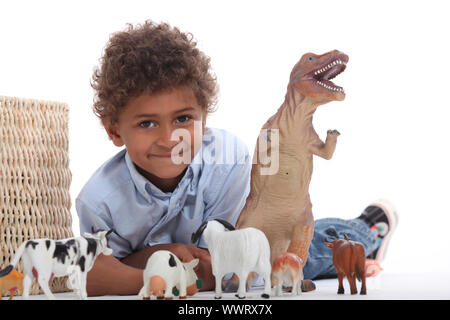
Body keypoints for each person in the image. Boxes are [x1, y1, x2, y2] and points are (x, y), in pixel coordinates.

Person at [76, 20, 398, 296]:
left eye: (184, 119)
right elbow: (101, 270)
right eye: (147, 123)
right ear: (114, 130)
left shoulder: (226, 163)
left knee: (314, 251)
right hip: (228, 259)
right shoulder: (99, 201)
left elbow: (224, 263)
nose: (168, 138)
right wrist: (161, 255)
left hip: (264, 247)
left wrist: (155, 265)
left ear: (205, 116)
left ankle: (370, 228)